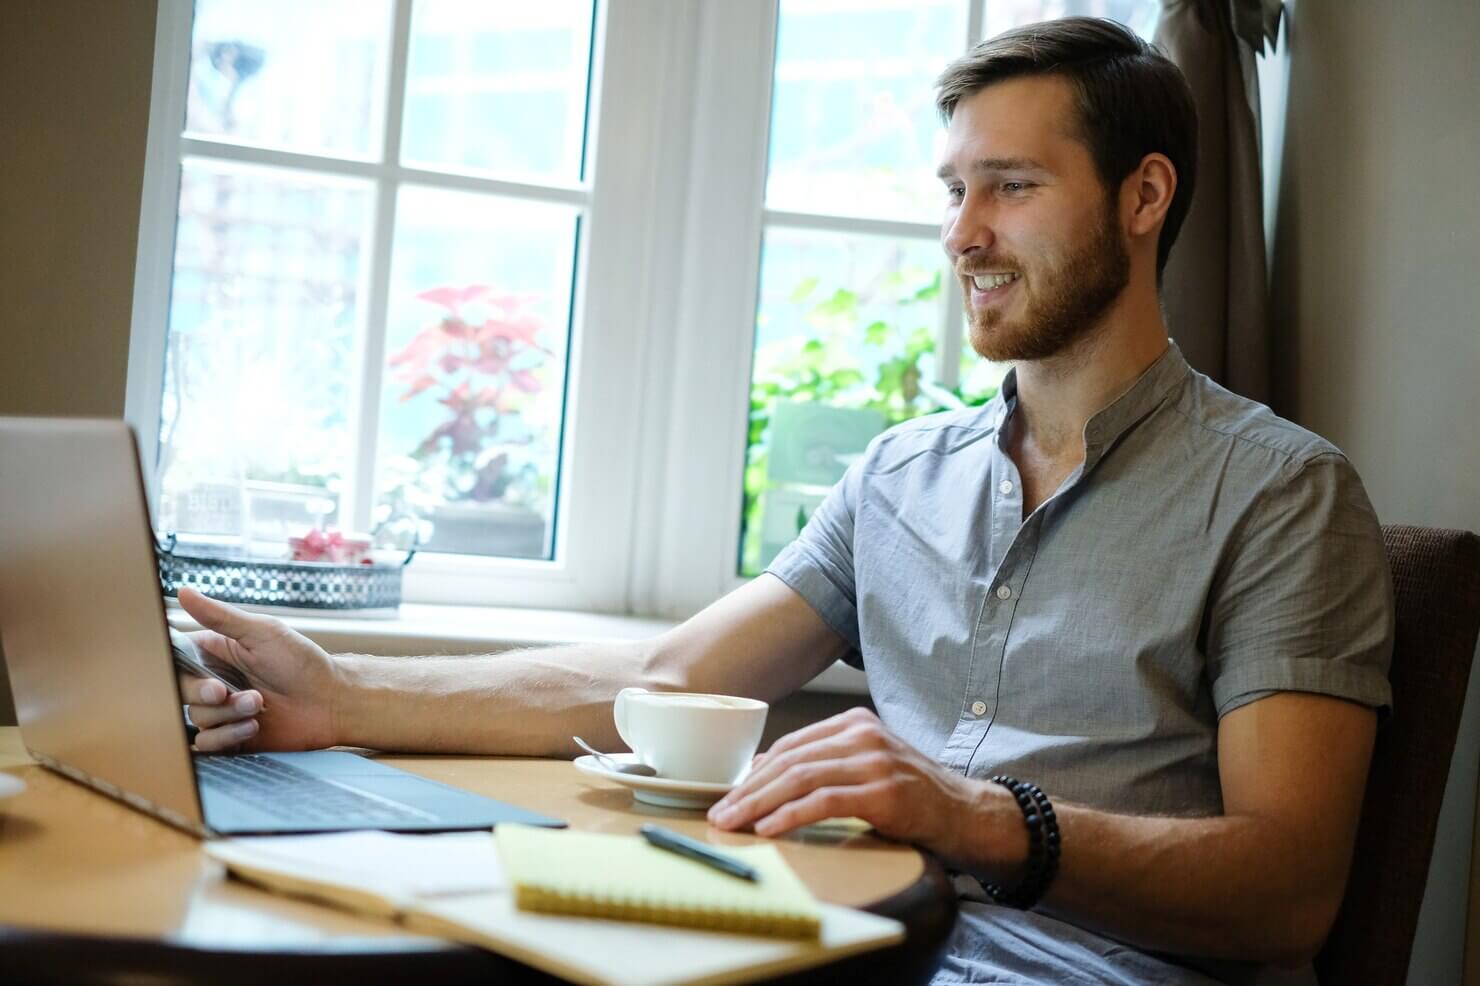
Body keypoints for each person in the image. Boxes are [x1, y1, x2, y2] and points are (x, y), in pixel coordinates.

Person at [178, 17, 1393, 986]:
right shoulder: (900, 478)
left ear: (1144, 198)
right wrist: (340, 693)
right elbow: (663, 678)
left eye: (1010, 187)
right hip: (855, 945)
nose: (962, 234)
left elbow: (1287, 886)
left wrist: (978, 819)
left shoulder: (1281, 492)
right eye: (952, 190)